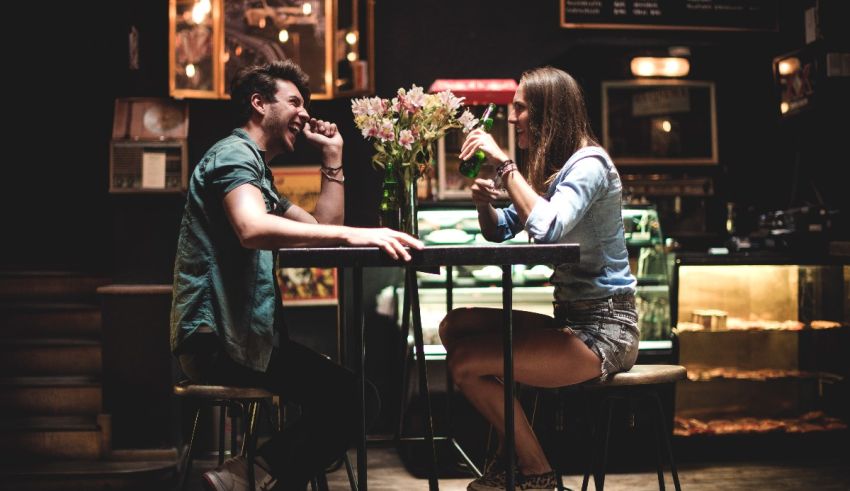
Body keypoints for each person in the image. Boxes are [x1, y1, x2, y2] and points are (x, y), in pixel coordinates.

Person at [170, 60, 423, 491]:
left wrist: (333, 158)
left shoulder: (257, 174)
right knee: (355, 399)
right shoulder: (233, 155)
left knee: (351, 398)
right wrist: (359, 234)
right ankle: (249, 474)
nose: (304, 113)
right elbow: (252, 229)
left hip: (242, 341)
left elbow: (319, 235)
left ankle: (252, 473)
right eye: (294, 102)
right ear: (258, 103)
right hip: (217, 341)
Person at [439, 66, 638, 491]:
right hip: (573, 321)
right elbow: (501, 228)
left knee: (464, 365)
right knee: (456, 325)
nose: (512, 119)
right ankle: (510, 460)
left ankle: (537, 472)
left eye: (520, 109)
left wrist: (504, 164)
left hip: (605, 331)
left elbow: (546, 229)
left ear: (548, 112)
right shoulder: (561, 167)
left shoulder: (589, 165)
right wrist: (483, 204)